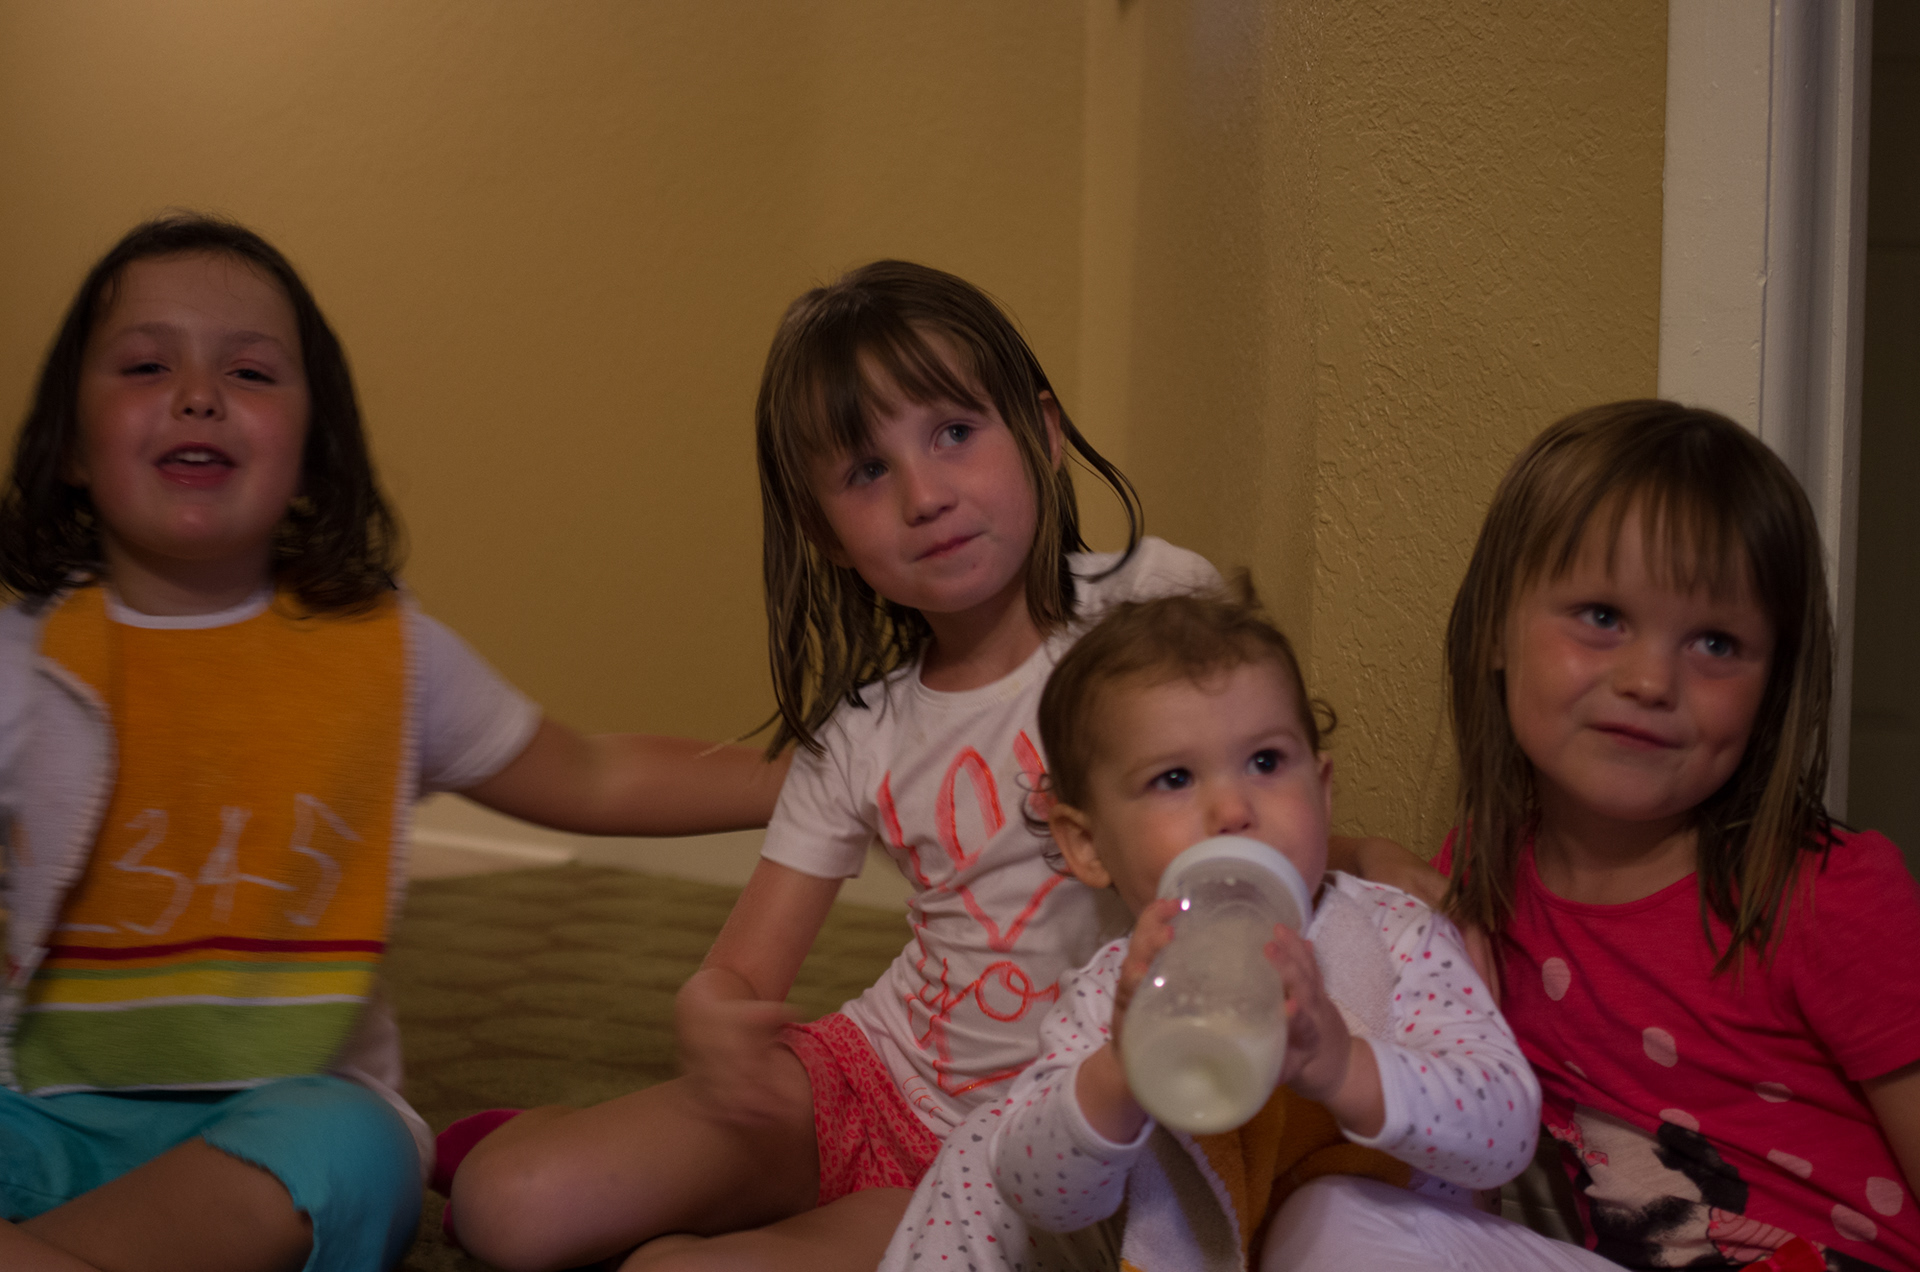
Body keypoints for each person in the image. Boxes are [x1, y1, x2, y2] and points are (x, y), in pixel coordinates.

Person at [0, 215, 788, 1272]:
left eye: (249, 371)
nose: (197, 394)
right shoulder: (23, 663)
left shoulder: (383, 651)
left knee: (363, 1149)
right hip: (39, 1118)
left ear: (313, 453)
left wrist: (827, 776)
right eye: (147, 365)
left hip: (282, 1122)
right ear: (69, 447)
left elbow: (593, 773)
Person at [446, 261, 1221, 1272]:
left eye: (954, 431)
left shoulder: (1155, 605)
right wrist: (711, 1013)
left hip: (1035, 1156)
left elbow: (1256, 807)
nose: (924, 495)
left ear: (1043, 432)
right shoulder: (861, 731)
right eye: (865, 471)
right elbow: (741, 969)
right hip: (868, 1080)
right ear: (826, 535)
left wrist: (1359, 856)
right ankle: (561, 1141)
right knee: (506, 1206)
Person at [882, 586, 1620, 1271]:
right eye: (1174, 778)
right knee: (989, 1141)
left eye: (1266, 761)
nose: (1233, 810)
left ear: (1322, 794)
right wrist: (1118, 1076)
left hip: (1413, 1248)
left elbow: (1503, 1135)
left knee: (1329, 1214)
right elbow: (1043, 1196)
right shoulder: (1113, 992)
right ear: (1087, 843)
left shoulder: (1398, 937)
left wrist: (1344, 1068)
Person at [1373, 401, 1920, 1270]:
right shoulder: (1487, 876)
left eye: (1716, 643)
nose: (1650, 680)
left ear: (1774, 688)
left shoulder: (1828, 897)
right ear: (1494, 632)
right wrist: (1380, 861)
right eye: (1602, 616)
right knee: (1341, 1216)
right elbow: (1301, 861)